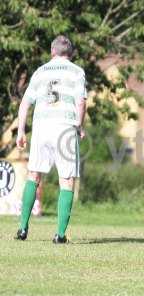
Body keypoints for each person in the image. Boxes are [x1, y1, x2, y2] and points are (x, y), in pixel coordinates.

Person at [15, 35, 87, 244]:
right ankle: (60, 234)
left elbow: (25, 104)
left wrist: (20, 131)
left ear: (52, 52)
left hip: (41, 127)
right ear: (70, 53)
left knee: (33, 175)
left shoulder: (40, 71)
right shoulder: (76, 71)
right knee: (66, 180)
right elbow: (80, 102)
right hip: (64, 126)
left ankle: (22, 229)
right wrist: (79, 125)